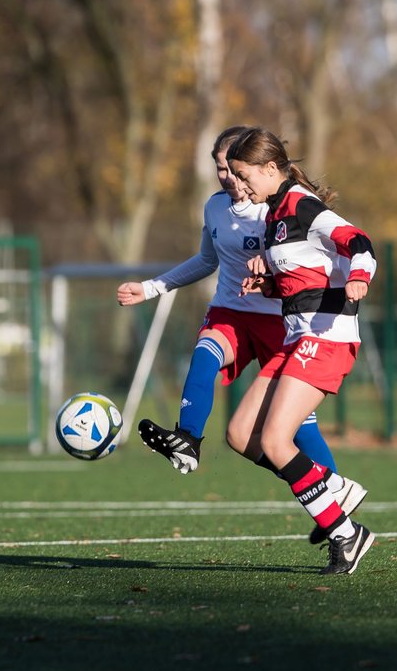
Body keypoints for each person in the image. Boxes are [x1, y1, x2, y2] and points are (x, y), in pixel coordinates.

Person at [118, 126, 366, 541]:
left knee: (293, 428)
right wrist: (151, 288)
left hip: (285, 324)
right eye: (221, 169)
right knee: (207, 354)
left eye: (235, 171)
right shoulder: (218, 208)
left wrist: (348, 274)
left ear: (259, 169)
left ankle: (331, 491)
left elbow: (340, 246)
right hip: (233, 311)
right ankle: (188, 438)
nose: (228, 179)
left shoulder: (281, 207)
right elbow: (205, 260)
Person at [226, 127, 377, 575]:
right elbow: (303, 280)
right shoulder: (274, 216)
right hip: (297, 336)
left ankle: (346, 535)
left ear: (271, 168)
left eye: (243, 174)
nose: (239, 184)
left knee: (275, 440)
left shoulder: (303, 207)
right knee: (239, 435)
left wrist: (359, 278)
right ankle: (332, 488)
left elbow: (359, 242)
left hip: (326, 336)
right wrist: (268, 284)